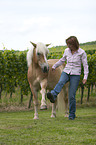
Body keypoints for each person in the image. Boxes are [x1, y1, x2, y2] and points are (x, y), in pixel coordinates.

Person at [47, 36, 89, 120]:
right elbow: (62, 60)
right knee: (60, 82)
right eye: (67, 44)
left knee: (72, 96)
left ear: (74, 44)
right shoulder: (67, 51)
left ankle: (72, 114)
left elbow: (85, 65)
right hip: (66, 71)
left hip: (75, 75)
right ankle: (53, 95)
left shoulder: (82, 53)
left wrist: (85, 77)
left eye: (69, 44)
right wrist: (54, 66)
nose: (68, 46)